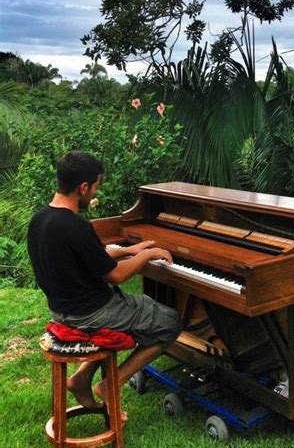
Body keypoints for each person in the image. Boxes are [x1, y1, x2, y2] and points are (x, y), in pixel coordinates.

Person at [27, 150, 181, 415]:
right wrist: (146, 255)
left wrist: (128, 250)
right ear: (83, 187)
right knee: (170, 322)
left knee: (140, 313)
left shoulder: (40, 220)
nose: (95, 192)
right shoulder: (75, 226)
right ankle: (112, 384)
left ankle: (82, 378)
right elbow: (116, 275)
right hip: (93, 313)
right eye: (96, 185)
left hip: (62, 312)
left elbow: (92, 256)